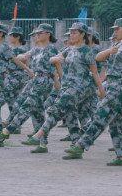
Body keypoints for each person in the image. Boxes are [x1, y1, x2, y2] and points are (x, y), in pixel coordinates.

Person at [63, 18, 122, 166]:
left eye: (118, 29)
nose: (115, 31)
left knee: (101, 113)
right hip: (112, 83)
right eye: (114, 29)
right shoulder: (118, 45)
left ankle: (81, 145)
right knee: (116, 121)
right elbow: (98, 57)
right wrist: (110, 50)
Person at [25, 22, 103, 154]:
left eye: (75, 32)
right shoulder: (69, 49)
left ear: (83, 34)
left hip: (81, 87)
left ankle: (40, 134)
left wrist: (101, 90)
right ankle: (76, 146)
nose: (71, 34)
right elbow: (53, 59)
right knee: (71, 114)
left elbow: (94, 72)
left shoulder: (87, 51)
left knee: (57, 108)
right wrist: (58, 59)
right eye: (71, 32)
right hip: (68, 86)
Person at [4, 24, 59, 138]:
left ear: (48, 34)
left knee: (29, 104)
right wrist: (19, 56)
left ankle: (7, 130)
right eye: (36, 33)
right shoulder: (36, 49)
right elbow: (24, 56)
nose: (37, 35)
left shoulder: (52, 49)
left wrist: (58, 83)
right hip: (34, 79)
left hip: (45, 80)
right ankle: (41, 138)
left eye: (40, 33)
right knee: (32, 106)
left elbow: (56, 67)